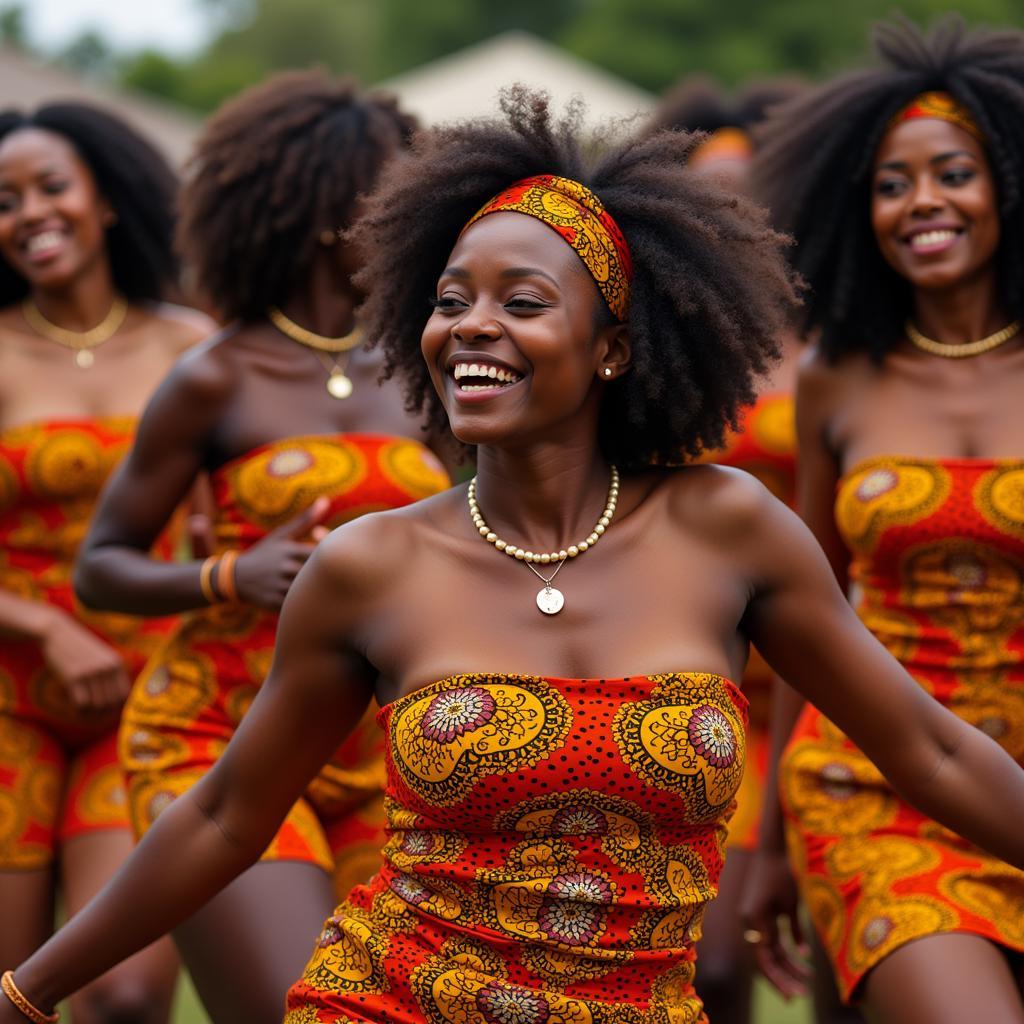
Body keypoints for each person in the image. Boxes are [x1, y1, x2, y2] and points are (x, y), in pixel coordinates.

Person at [4, 85, 1024, 1024]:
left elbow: (927, 749)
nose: (471, 327)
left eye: (522, 303)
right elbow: (226, 813)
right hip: (395, 999)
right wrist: (28, 988)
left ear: (613, 347)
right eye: (450, 301)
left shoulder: (730, 527)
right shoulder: (371, 566)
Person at [70, 71, 452, 1024]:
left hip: (391, 755)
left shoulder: (428, 368)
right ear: (334, 214)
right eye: (402, 194)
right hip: (223, 742)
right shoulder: (215, 376)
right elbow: (102, 566)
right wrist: (229, 574)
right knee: (299, 1010)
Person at [744, 16, 1024, 1023]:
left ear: (1008, 185)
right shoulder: (836, 382)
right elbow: (804, 621)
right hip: (879, 788)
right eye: (891, 185)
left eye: (952, 172)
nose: (922, 203)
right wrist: (772, 844)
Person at [0, 102, 211, 1022]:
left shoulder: (188, 344)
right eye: (4, 200)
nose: (31, 212)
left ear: (107, 200)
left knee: (125, 994)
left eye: (53, 186)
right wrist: (45, 625)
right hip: (7, 702)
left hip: (145, 703)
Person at [650, 76, 809, 1024]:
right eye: (710, 188)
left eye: (754, 183)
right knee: (709, 965)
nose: (735, 205)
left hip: (817, 665)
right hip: (701, 667)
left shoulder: (836, 344)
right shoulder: (661, 349)